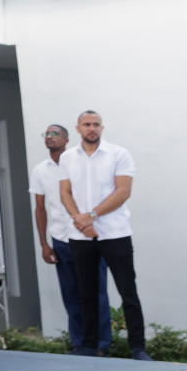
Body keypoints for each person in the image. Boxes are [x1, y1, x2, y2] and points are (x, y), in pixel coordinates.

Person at [59, 110, 147, 360]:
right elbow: (65, 193)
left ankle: (138, 348)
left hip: (115, 232)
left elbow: (123, 192)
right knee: (86, 293)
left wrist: (92, 215)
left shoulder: (119, 154)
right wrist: (80, 220)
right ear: (78, 128)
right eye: (87, 124)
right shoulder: (67, 157)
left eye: (96, 124)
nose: (92, 128)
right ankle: (89, 346)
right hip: (81, 235)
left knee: (128, 292)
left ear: (102, 128)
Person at [30, 124, 111, 353]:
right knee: (71, 293)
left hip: (87, 237)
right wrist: (44, 244)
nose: (49, 137)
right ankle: (80, 344)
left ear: (66, 139)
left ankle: (101, 345)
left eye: (55, 133)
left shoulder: (81, 163)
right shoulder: (40, 170)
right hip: (61, 238)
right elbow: (40, 209)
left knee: (96, 292)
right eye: (46, 134)